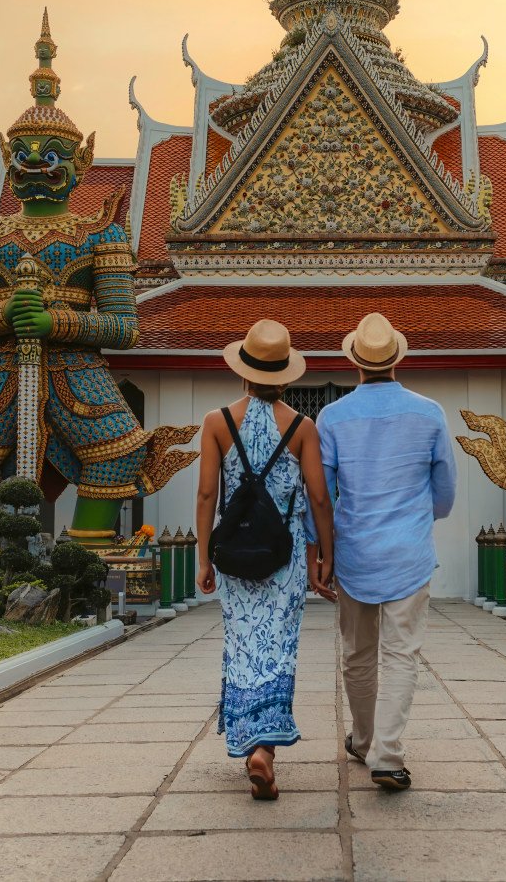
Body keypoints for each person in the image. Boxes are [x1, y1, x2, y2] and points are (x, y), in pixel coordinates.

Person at [194, 319, 336, 800]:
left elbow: (207, 493)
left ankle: (248, 741)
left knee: (242, 644)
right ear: (285, 376)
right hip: (285, 558)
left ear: (244, 372)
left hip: (233, 555)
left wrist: (202, 558)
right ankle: (265, 751)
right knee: (278, 646)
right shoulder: (302, 427)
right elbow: (319, 498)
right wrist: (326, 556)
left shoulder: (217, 423)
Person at [316, 312, 456, 792]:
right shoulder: (430, 412)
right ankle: (387, 755)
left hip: (354, 551)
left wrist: (325, 553)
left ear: (354, 361)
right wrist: (417, 521)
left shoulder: (331, 417)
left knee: (357, 653)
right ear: (398, 357)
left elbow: (324, 494)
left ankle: (364, 737)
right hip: (408, 553)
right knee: (401, 654)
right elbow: (445, 494)